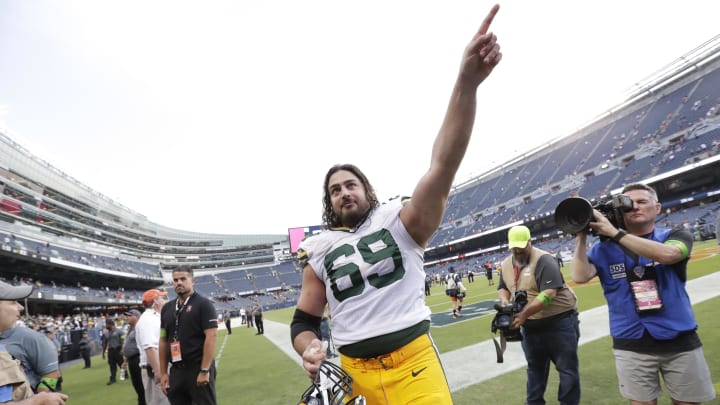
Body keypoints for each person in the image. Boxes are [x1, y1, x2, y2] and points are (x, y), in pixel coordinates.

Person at [290, 5, 502, 403]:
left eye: (350, 184)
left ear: (367, 190)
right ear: (329, 202)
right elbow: (304, 321)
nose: (343, 192)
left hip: (413, 363)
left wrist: (466, 84)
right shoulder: (317, 248)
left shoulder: (398, 219)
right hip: (352, 372)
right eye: (334, 190)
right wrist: (309, 348)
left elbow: (443, 164)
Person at [571, 183, 716, 404]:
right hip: (630, 341)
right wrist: (581, 236)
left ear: (657, 208)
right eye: (629, 204)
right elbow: (580, 276)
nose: (635, 207)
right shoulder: (602, 249)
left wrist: (614, 232)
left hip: (678, 337)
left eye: (642, 202)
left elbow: (670, 255)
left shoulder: (674, 234)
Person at [497, 225, 580, 405]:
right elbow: (503, 287)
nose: (517, 250)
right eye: (514, 247)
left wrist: (524, 313)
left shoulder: (544, 259)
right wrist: (505, 301)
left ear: (529, 242)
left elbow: (549, 293)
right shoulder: (505, 264)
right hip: (530, 327)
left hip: (559, 322)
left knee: (567, 369)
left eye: (521, 246)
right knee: (535, 369)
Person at [159, 266, 218, 405]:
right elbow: (162, 340)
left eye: (183, 279)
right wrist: (163, 373)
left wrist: (204, 370)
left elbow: (212, 336)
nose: (179, 282)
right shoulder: (167, 308)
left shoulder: (204, 304)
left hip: (197, 366)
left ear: (192, 281)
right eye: (175, 280)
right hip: (176, 370)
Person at [0, 300, 62, 393]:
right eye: (13, 302)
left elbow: (52, 374)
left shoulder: (31, 337)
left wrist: (41, 397)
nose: (21, 307)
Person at [136, 289, 169, 405]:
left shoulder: (154, 317)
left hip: (160, 367)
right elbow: (150, 347)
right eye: (162, 298)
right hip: (154, 369)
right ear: (155, 301)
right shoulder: (148, 319)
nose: (165, 301)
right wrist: (158, 372)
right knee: (160, 402)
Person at [122, 309, 146, 405]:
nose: (127, 317)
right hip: (132, 360)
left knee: (141, 384)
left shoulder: (141, 327)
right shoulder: (131, 328)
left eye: (129, 315)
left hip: (138, 359)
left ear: (136, 316)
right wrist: (125, 360)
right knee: (136, 385)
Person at [102, 318, 125, 386]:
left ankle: (124, 374)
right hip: (111, 351)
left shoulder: (119, 331)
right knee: (112, 365)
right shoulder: (106, 333)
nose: (105, 325)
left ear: (110, 324)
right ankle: (113, 379)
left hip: (118, 349)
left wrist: (122, 349)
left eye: (106, 324)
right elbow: (105, 343)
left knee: (121, 364)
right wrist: (103, 352)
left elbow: (123, 340)